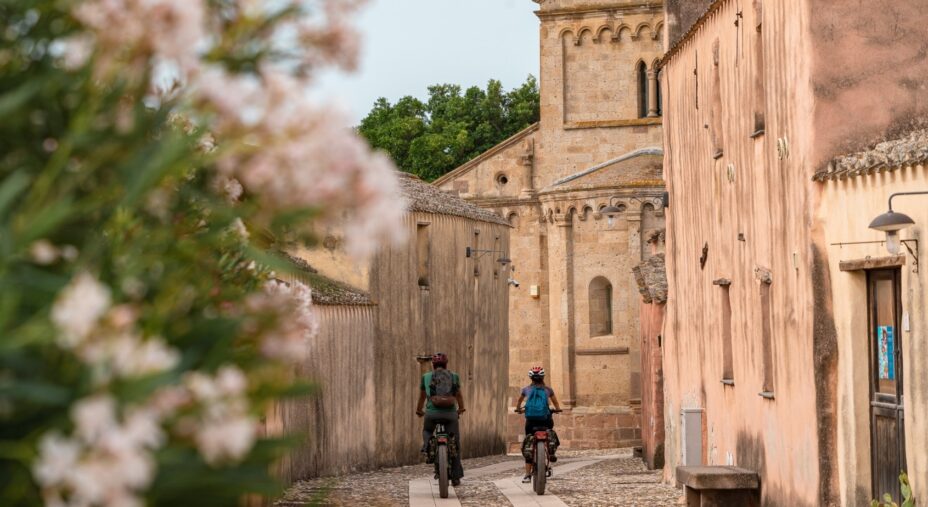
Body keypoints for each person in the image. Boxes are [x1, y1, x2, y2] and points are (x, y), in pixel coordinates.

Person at [416, 352, 466, 486]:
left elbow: (422, 397)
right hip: (450, 415)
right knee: (455, 443)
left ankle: (427, 448)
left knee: (427, 431)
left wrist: (419, 410)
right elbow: (459, 395)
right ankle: (456, 477)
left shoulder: (426, 377)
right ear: (446, 364)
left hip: (431, 414)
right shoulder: (454, 376)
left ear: (433, 365)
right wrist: (461, 408)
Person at [514, 366, 561, 484]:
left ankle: (527, 474)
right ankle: (551, 452)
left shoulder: (526, 390)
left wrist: (518, 409)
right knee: (550, 433)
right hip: (545, 420)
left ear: (531, 378)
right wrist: (557, 409)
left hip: (531, 421)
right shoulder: (548, 390)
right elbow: (555, 403)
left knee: (529, 443)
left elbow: (519, 401)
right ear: (543, 377)